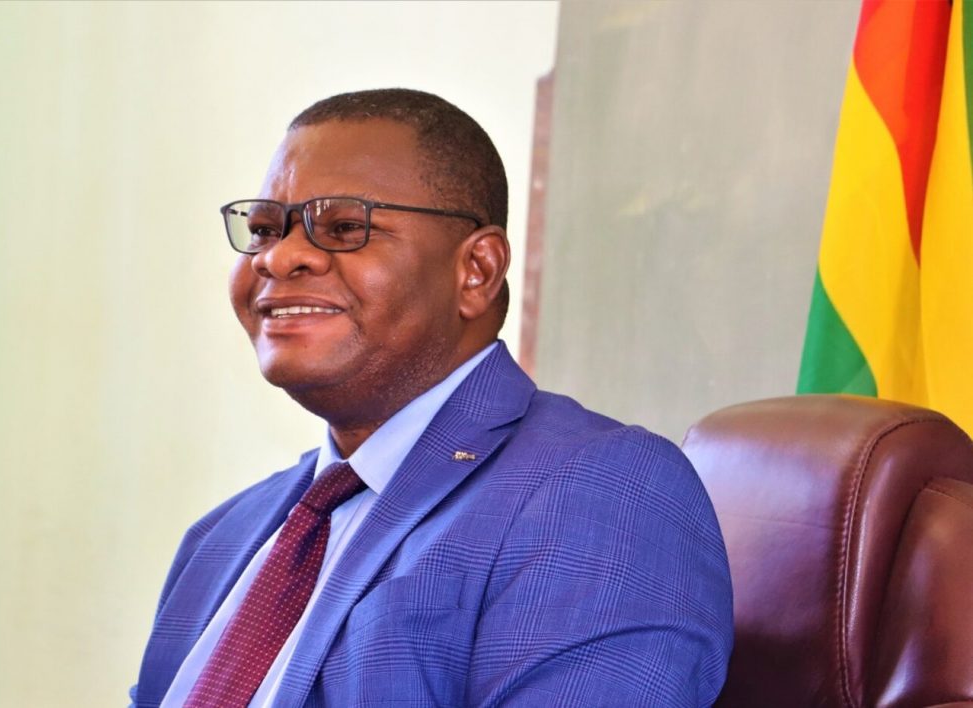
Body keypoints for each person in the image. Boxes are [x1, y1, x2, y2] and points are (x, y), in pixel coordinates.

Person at [131, 88, 733, 708]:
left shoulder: (598, 490)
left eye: (344, 228)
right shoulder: (226, 534)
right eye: (263, 230)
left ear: (477, 270)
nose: (279, 257)